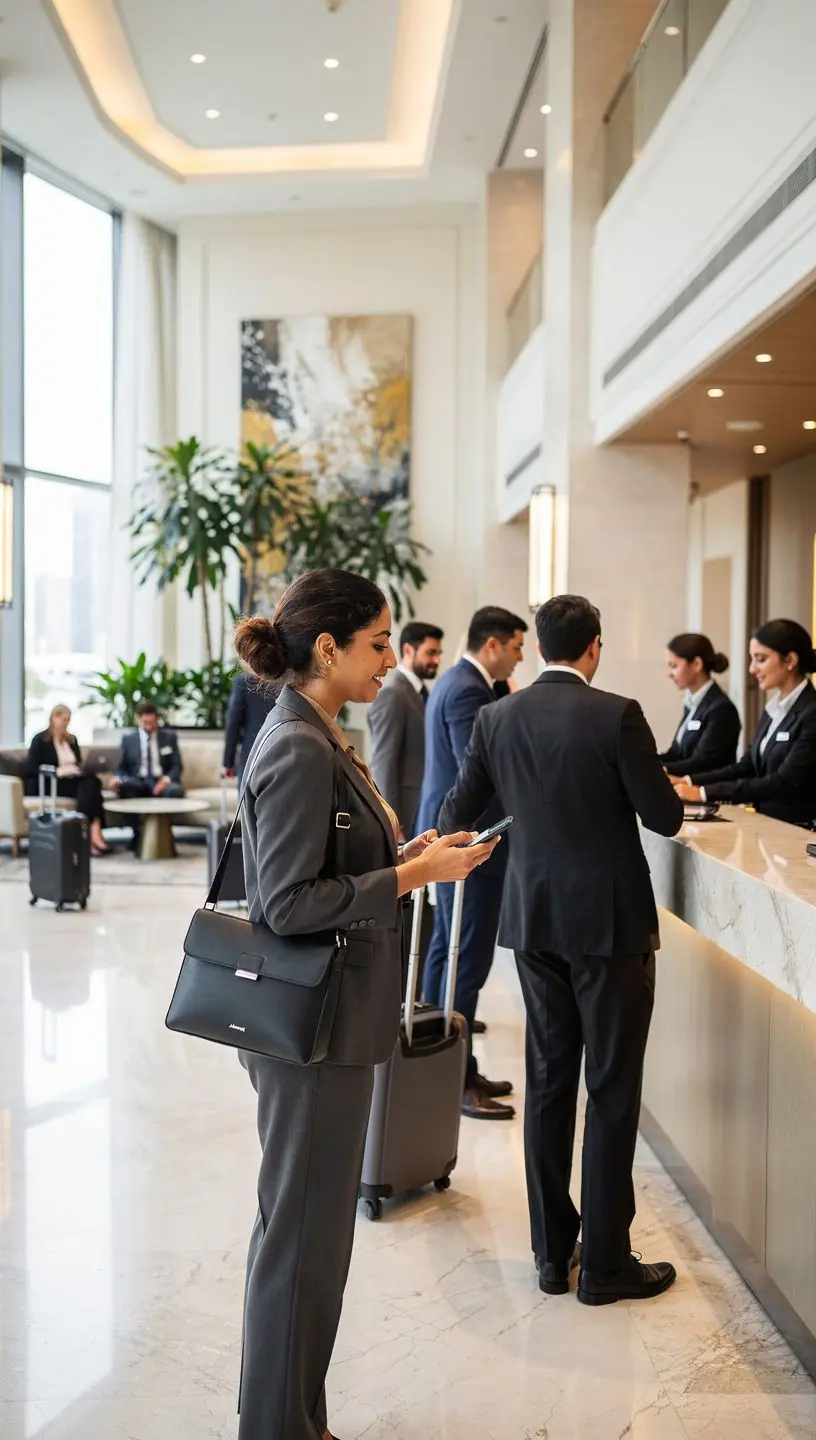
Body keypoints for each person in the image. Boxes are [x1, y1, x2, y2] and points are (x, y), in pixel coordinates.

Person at [231, 569, 498, 1440]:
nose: (390, 659)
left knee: (311, 1243)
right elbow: (285, 904)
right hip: (312, 1034)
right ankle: (277, 1427)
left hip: (334, 1025)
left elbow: (332, 866)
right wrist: (413, 875)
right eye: (379, 643)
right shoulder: (299, 746)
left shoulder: (321, 733)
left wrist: (415, 849)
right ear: (327, 647)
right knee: (301, 1242)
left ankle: (294, 1416)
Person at [440, 594, 684, 1304]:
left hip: (534, 922)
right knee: (610, 1091)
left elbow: (458, 814)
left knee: (550, 1086)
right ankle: (606, 1264)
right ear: (595, 647)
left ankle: (553, 1255)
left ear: (539, 645)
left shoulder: (496, 716)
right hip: (609, 927)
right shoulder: (618, 714)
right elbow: (664, 818)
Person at [417, 604, 528, 1120]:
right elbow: (475, 772)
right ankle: (456, 1079)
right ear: (492, 645)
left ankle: (449, 1065)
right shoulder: (467, 689)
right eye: (515, 647)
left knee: (448, 952)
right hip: (469, 844)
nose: (520, 656)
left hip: (458, 840)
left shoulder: (460, 683)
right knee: (465, 957)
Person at [674, 618, 816, 828]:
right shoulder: (774, 709)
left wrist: (703, 793)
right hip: (769, 827)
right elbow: (747, 767)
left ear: (790, 660)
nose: (752, 669)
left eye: (760, 659)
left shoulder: (811, 711)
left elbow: (783, 781)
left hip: (798, 832)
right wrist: (689, 781)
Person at [367, 620, 444, 838]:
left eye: (439, 653)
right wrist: (393, 822)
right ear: (408, 650)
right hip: (406, 815)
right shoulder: (393, 693)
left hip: (423, 809)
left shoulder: (421, 692)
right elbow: (384, 763)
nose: (436, 660)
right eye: (430, 653)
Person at [26, 705, 111, 856]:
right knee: (91, 784)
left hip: (71, 780)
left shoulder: (71, 740)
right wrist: (57, 770)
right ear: (52, 718)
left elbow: (77, 762)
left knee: (92, 782)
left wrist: (74, 769)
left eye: (67, 720)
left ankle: (89, 834)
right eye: (61, 719)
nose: (64, 723)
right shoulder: (40, 739)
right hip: (50, 782)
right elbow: (31, 767)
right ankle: (93, 833)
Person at [660, 633, 741, 775]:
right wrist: (644, 761)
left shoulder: (721, 709)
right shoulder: (692, 704)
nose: (669, 673)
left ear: (696, 664)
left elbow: (704, 763)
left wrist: (659, 769)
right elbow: (676, 753)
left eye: (674, 665)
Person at [109, 700, 184, 799]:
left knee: (176, 790)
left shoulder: (169, 738)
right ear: (138, 719)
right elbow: (121, 767)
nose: (149, 727)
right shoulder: (128, 740)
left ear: (156, 719)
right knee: (124, 787)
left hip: (161, 780)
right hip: (138, 782)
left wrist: (166, 780)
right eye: (145, 723)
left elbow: (177, 766)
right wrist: (116, 777)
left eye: (152, 723)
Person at [222, 670, 278, 786]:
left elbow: (233, 723)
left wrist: (228, 762)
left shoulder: (243, 681)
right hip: (282, 752)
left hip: (251, 754)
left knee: (246, 802)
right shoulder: (289, 679)